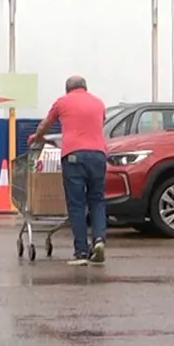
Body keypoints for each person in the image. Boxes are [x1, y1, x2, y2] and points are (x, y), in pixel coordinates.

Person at [30, 75, 108, 266]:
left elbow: (46, 124)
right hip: (99, 155)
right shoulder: (98, 103)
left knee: (77, 204)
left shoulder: (62, 102)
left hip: (74, 156)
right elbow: (100, 123)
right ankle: (99, 241)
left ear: (67, 89)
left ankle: (81, 251)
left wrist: (37, 136)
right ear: (85, 87)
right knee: (97, 200)